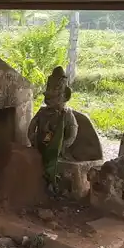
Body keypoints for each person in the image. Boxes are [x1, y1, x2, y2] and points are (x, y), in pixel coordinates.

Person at [27, 66, 78, 195]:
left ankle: (52, 184)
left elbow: (72, 131)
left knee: (53, 164)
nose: (50, 99)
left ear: (65, 96)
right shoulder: (42, 112)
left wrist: (63, 145)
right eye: (48, 95)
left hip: (56, 149)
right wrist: (32, 139)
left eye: (55, 96)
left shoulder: (66, 114)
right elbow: (32, 126)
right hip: (41, 144)